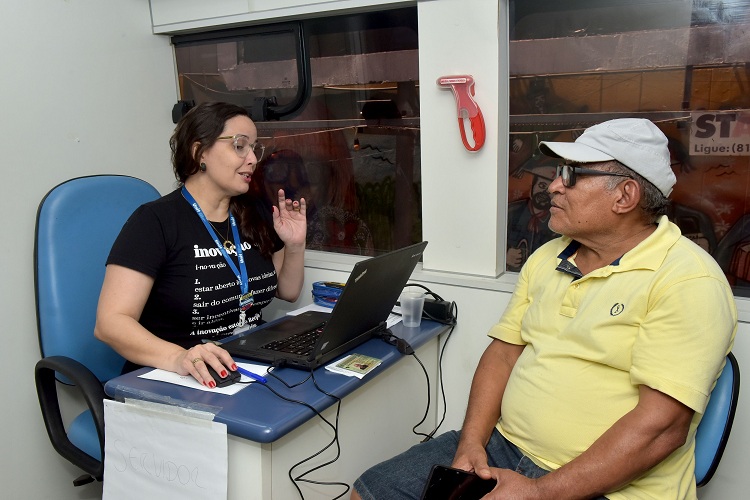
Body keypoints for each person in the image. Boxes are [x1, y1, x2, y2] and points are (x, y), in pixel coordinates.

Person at [351, 118, 737, 499]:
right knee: (370, 492)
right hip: (505, 447)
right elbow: (503, 355)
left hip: (615, 486)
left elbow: (662, 428)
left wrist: (539, 492)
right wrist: (471, 444)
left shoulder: (688, 281)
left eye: (570, 175)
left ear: (624, 196)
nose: (553, 186)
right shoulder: (549, 256)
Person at [94, 101, 307, 388]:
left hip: (243, 365)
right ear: (199, 152)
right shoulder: (155, 221)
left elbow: (288, 291)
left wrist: (294, 245)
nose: (253, 159)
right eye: (239, 145)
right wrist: (180, 357)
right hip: (175, 375)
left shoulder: (253, 215)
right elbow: (110, 324)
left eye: (255, 148)